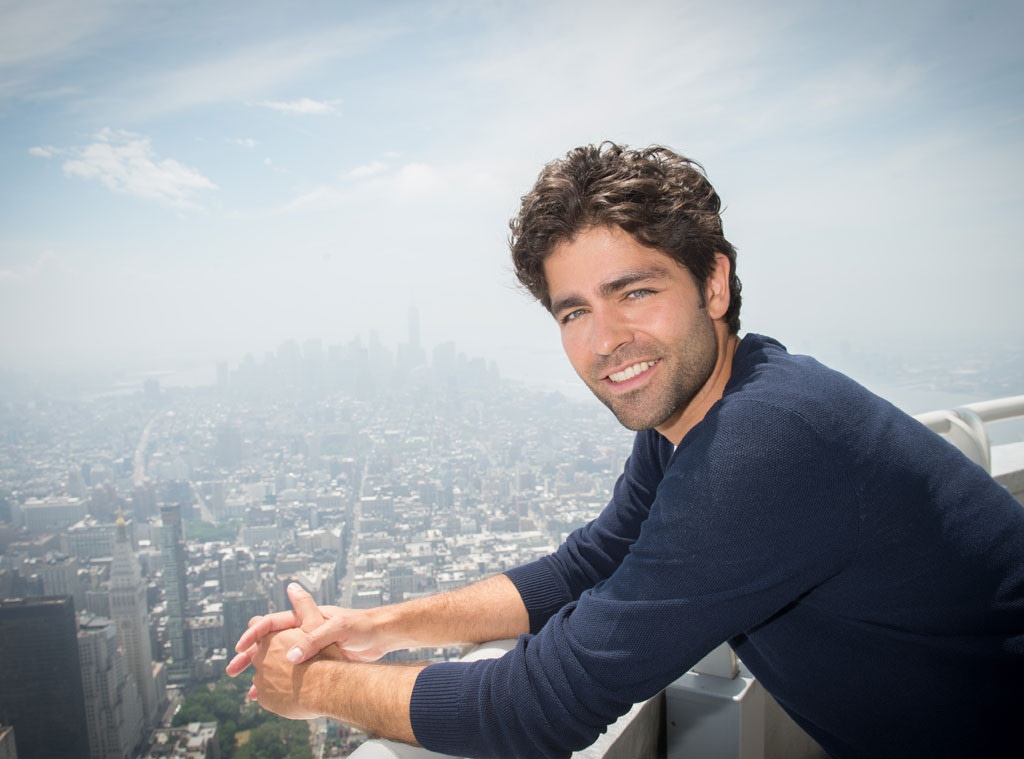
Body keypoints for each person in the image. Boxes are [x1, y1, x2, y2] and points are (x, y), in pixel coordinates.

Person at [227, 143, 1024, 758]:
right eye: (574, 312)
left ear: (714, 285)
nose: (606, 340)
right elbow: (586, 566)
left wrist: (317, 685)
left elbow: (542, 707)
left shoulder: (763, 441)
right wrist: (376, 624)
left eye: (635, 291)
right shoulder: (702, 408)